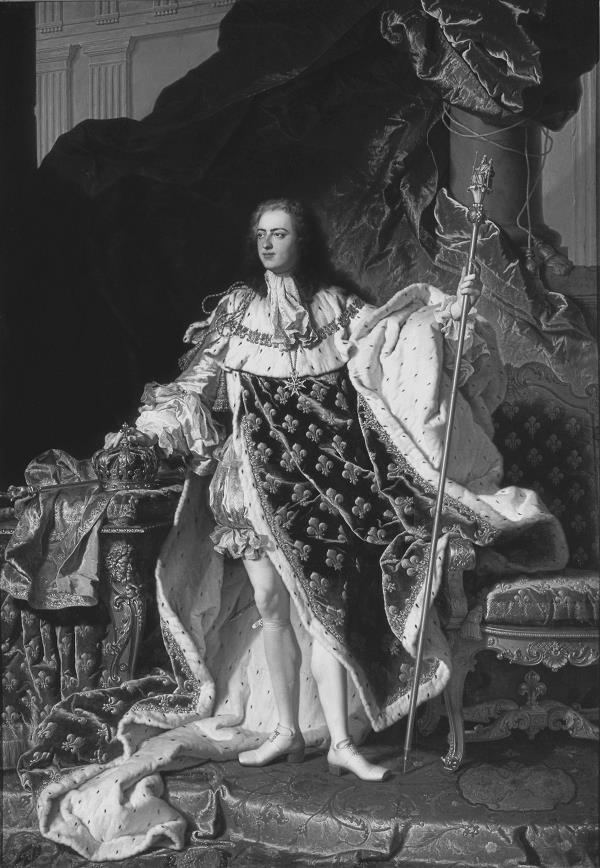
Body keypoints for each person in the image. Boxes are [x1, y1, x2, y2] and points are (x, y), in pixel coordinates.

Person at [104, 197, 562, 781]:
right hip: (253, 483)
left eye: (280, 234)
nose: (268, 243)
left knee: (326, 611)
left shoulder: (336, 307)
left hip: (324, 489)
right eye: (261, 233)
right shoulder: (237, 309)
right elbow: (196, 383)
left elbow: (397, 340)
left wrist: (452, 313)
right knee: (271, 606)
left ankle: (341, 742)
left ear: (304, 241)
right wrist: (149, 429)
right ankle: (287, 732)